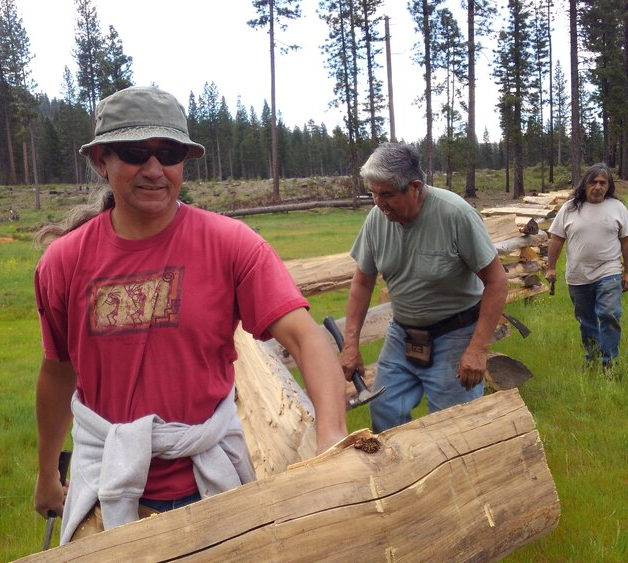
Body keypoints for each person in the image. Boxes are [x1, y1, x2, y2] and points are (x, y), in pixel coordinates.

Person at [31, 86, 347, 544]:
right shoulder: (63, 263)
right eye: (136, 152)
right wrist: (45, 472)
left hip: (209, 480)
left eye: (170, 153)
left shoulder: (231, 243)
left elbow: (304, 337)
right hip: (105, 483)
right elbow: (58, 371)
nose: (155, 169)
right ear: (102, 161)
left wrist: (333, 437)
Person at [338, 143, 508, 433]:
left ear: (414, 187)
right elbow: (363, 282)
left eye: (387, 194)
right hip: (402, 334)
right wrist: (351, 344)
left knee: (453, 429)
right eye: (373, 193)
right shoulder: (377, 220)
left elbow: (497, 281)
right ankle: (399, 477)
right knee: (385, 410)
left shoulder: (455, 214)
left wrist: (477, 348)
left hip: (455, 333)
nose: (379, 203)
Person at [545, 163, 628, 370]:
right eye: (593, 182)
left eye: (603, 183)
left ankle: (609, 363)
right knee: (586, 321)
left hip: (609, 271)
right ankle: (592, 358)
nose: (598, 187)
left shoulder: (617, 208)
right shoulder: (569, 208)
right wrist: (551, 267)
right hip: (578, 276)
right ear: (584, 185)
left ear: (608, 186)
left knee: (609, 314)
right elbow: (557, 240)